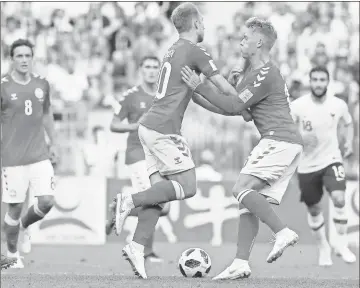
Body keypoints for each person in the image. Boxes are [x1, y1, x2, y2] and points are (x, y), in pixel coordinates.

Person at [114, 2, 252, 279]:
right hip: (164, 130)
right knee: (188, 186)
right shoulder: (195, 51)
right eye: (203, 21)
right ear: (196, 24)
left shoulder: (173, 50)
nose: (205, 26)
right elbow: (222, 87)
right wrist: (244, 103)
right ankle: (129, 200)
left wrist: (234, 111)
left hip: (150, 127)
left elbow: (198, 97)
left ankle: (137, 247)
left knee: (160, 197)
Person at [181, 17, 303, 280]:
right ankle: (240, 262)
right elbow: (239, 112)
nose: (241, 41)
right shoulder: (251, 75)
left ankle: (282, 232)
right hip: (280, 141)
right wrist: (195, 97)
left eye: (246, 37)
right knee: (248, 203)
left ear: (259, 42)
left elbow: (235, 106)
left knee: (240, 189)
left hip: (279, 139)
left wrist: (200, 85)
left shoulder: (266, 73)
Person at [107, 55, 170, 263]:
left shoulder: (164, 96)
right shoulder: (130, 96)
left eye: (155, 67)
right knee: (155, 201)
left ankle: (121, 209)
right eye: (147, 67)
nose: (151, 71)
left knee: (164, 207)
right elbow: (114, 124)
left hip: (160, 156)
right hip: (137, 155)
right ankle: (147, 251)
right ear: (140, 70)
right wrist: (135, 126)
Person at [291, 66, 356, 266]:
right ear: (310, 82)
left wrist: (348, 142)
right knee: (314, 209)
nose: (319, 83)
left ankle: (342, 244)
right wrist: (300, 138)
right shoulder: (298, 106)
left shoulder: (338, 105)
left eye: (322, 80)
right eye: (315, 80)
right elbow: (285, 129)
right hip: (307, 165)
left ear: (328, 82)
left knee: (338, 198)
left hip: (331, 159)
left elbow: (349, 122)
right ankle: (323, 248)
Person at [1, 39, 57, 268]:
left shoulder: (42, 84)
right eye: (19, 56)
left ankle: (24, 226)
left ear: (33, 58)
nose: (24, 60)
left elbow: (47, 114)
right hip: (12, 159)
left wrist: (54, 143)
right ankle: (11, 254)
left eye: (27, 56)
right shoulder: (3, 86)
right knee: (14, 207)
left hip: (39, 155)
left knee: (46, 202)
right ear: (12, 59)